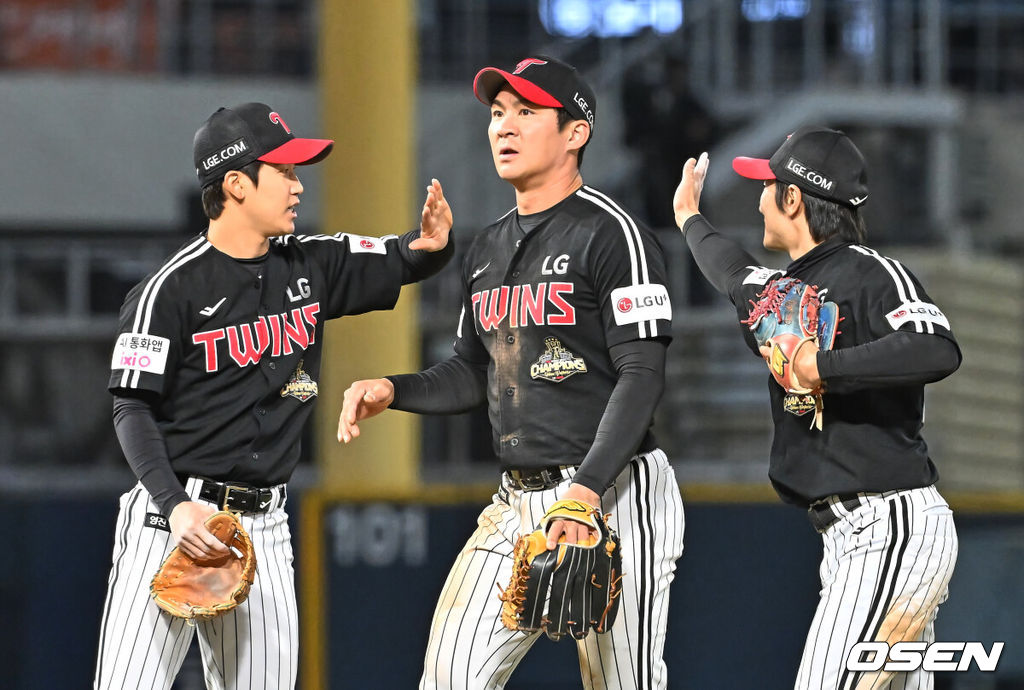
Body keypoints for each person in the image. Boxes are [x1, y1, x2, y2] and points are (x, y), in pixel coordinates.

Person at [339, 56, 685, 689]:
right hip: (517, 499)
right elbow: (473, 373)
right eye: (498, 113)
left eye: (527, 112)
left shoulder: (613, 234)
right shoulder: (488, 247)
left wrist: (585, 494)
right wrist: (395, 389)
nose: (505, 126)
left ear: (576, 133)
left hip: (614, 492)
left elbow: (642, 374)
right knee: (450, 678)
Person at [94, 101, 454, 690]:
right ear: (235, 183)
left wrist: (435, 243)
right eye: (284, 171)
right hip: (174, 518)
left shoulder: (309, 264)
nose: (297, 184)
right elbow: (131, 406)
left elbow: (403, 258)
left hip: (263, 524)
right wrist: (171, 502)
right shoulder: (168, 291)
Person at [672, 126, 961, 689]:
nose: (759, 198)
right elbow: (730, 271)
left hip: (889, 524)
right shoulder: (782, 291)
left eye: (768, 185)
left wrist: (822, 369)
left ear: (794, 197)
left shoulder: (871, 271)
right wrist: (688, 216)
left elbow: (936, 345)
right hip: (852, 537)